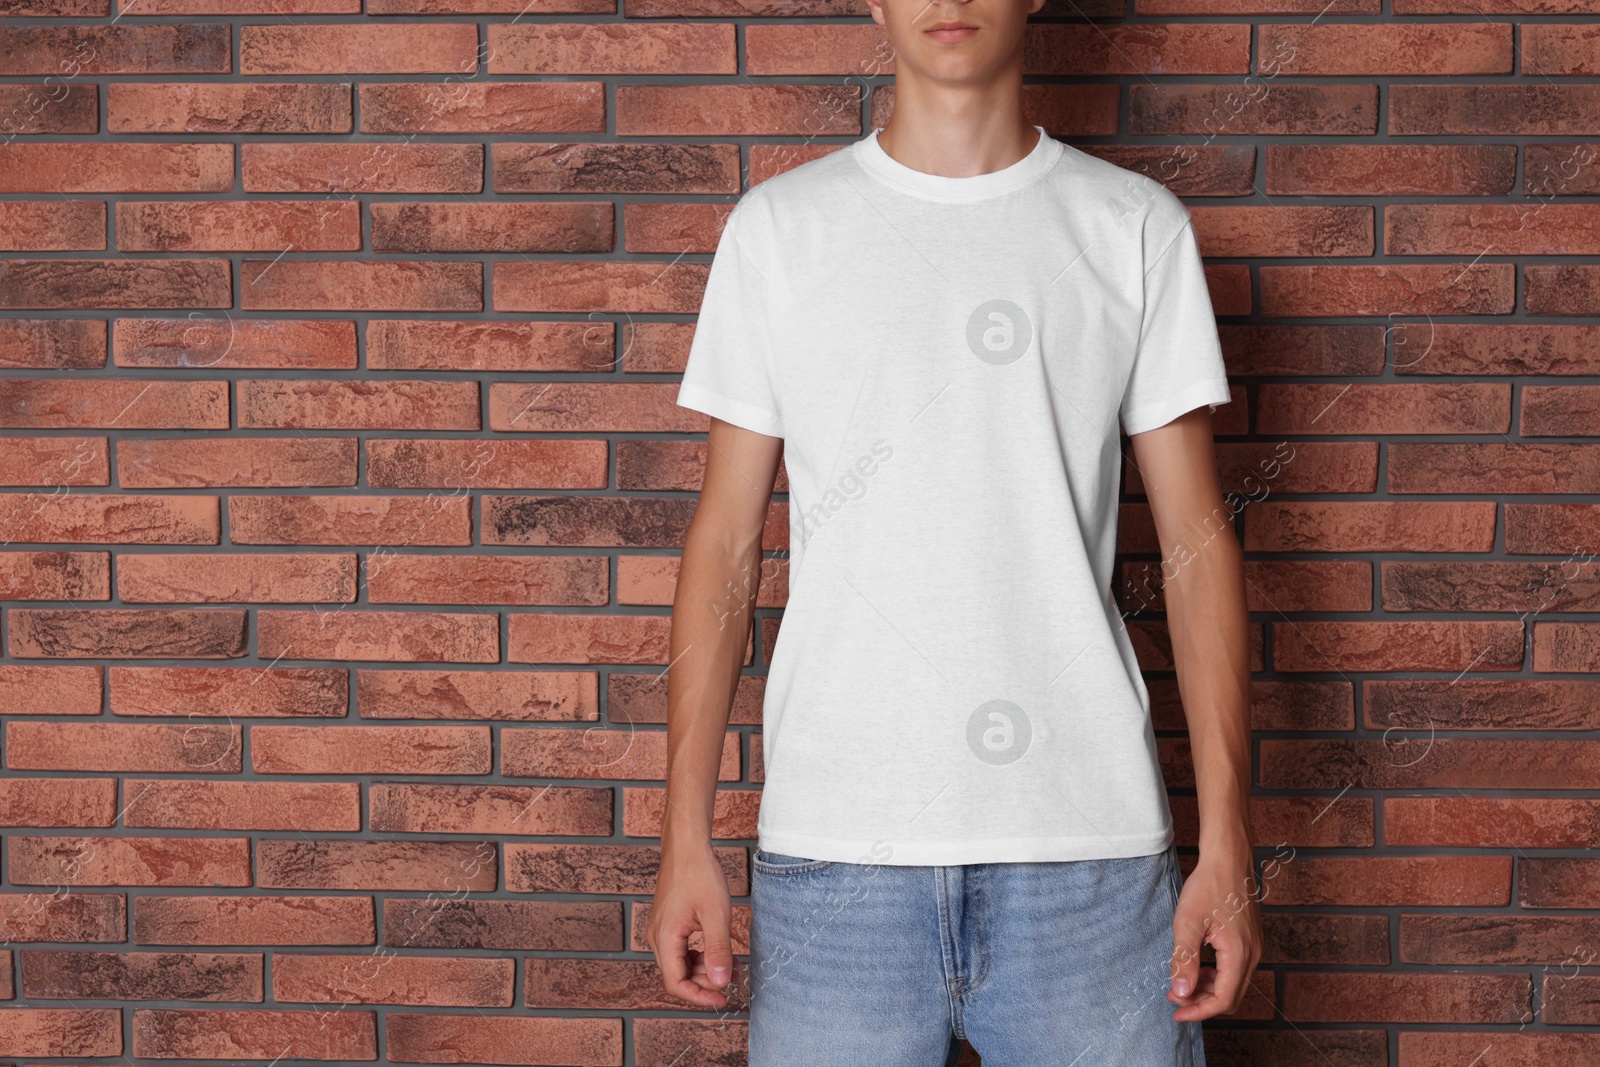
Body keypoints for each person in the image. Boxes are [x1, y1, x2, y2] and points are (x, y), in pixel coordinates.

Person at [645, 0, 1263, 1062]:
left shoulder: (1131, 226)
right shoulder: (781, 230)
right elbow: (723, 548)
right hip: (837, 860)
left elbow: (1198, 548)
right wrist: (682, 834)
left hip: (1089, 857)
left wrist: (1229, 843)